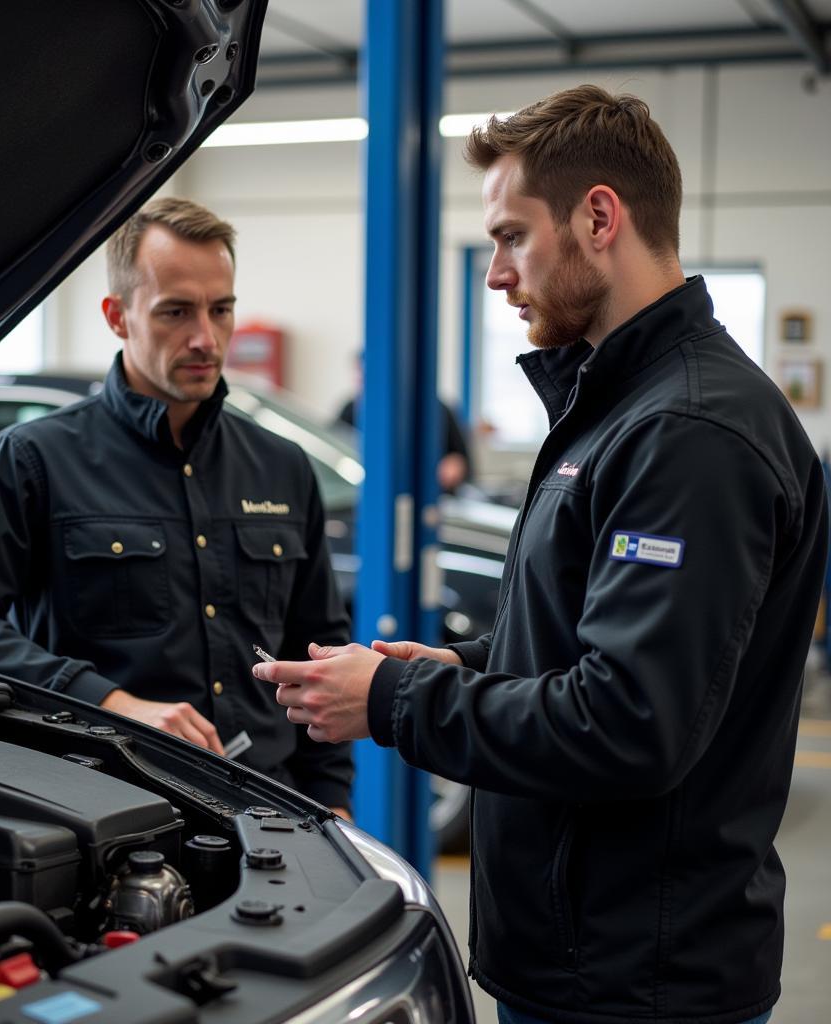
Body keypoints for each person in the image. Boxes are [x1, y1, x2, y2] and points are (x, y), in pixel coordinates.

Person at [253, 85, 827, 1024]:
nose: (495, 273)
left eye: (512, 235)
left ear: (599, 217)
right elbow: (592, 641)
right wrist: (467, 665)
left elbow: (631, 721)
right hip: (585, 958)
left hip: (637, 984)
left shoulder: (689, 431)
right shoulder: (617, 411)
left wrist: (395, 700)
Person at [0, 197, 353, 817]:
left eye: (221, 310)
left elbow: (316, 651)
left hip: (270, 805)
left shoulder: (281, 465)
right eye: (176, 312)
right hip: (104, 806)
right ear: (117, 316)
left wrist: (332, 797)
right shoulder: (34, 459)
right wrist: (110, 701)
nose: (205, 337)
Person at [334, 354, 472, 493]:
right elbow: (331, 452)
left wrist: (454, 466)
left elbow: (463, 461)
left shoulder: (436, 410)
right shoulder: (351, 410)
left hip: (429, 495)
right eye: (362, 376)